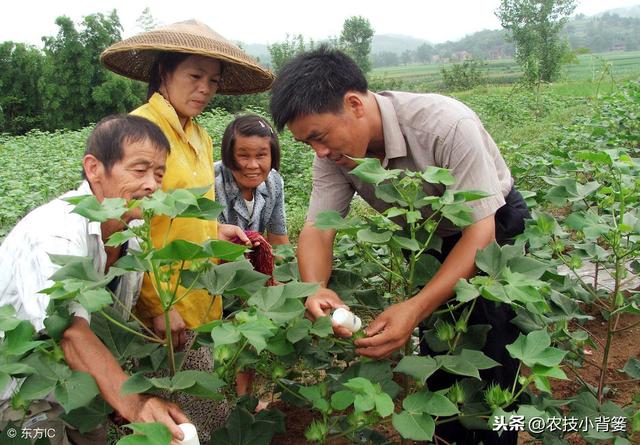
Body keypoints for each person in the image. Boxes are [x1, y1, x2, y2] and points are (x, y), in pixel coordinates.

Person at [269, 47, 530, 445]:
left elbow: (480, 236)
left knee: (493, 347)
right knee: (438, 347)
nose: (319, 153)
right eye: (308, 144)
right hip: (425, 236)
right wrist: (315, 287)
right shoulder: (335, 157)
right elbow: (318, 230)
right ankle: (447, 434)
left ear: (354, 104)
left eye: (319, 137)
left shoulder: (445, 124)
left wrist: (414, 306)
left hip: (492, 225)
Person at [101, 20, 275, 439]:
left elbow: (181, 215)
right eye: (194, 76)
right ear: (164, 73)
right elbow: (130, 227)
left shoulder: (199, 135)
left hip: (199, 295)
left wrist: (217, 231)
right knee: (176, 419)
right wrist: (157, 305)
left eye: (213, 81)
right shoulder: (140, 131)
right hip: (160, 302)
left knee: (201, 409)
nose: (205, 89)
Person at [0, 115, 190, 444]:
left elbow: (103, 329)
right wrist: (134, 403)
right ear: (94, 168)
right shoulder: (55, 231)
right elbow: (69, 332)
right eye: (140, 169)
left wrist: (113, 394)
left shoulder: (132, 236)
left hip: (80, 389)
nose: (152, 185)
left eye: (159, 173)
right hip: (17, 394)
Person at [215, 114, 289, 246]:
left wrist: (288, 265)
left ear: (273, 155)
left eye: (261, 155)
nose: (253, 165)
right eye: (243, 155)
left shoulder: (273, 182)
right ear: (228, 154)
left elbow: (279, 240)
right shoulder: (211, 180)